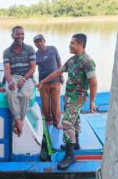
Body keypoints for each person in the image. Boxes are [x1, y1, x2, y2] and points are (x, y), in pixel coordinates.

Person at [37, 34, 97, 170]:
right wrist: (42, 81)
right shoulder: (72, 60)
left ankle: (70, 155)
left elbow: (93, 83)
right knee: (74, 119)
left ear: (80, 45)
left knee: (66, 122)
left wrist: (92, 102)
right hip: (69, 96)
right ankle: (75, 144)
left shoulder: (87, 61)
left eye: (72, 43)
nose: (70, 45)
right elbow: (57, 72)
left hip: (78, 97)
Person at [3, 26, 36, 136]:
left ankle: (17, 123)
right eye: (17, 34)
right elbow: (7, 70)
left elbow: (32, 68)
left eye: (22, 34)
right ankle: (19, 121)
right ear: (12, 35)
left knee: (25, 96)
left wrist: (24, 79)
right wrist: (10, 82)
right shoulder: (7, 52)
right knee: (10, 92)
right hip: (13, 76)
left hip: (27, 77)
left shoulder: (30, 49)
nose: (20, 36)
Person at [33, 34, 63, 128]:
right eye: (36, 42)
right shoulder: (35, 55)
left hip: (56, 81)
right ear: (35, 44)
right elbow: (32, 68)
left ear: (44, 40)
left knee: (56, 103)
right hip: (43, 83)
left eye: (40, 41)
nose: (39, 43)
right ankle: (48, 120)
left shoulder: (53, 49)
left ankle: (57, 122)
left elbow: (59, 61)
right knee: (45, 103)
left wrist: (61, 75)